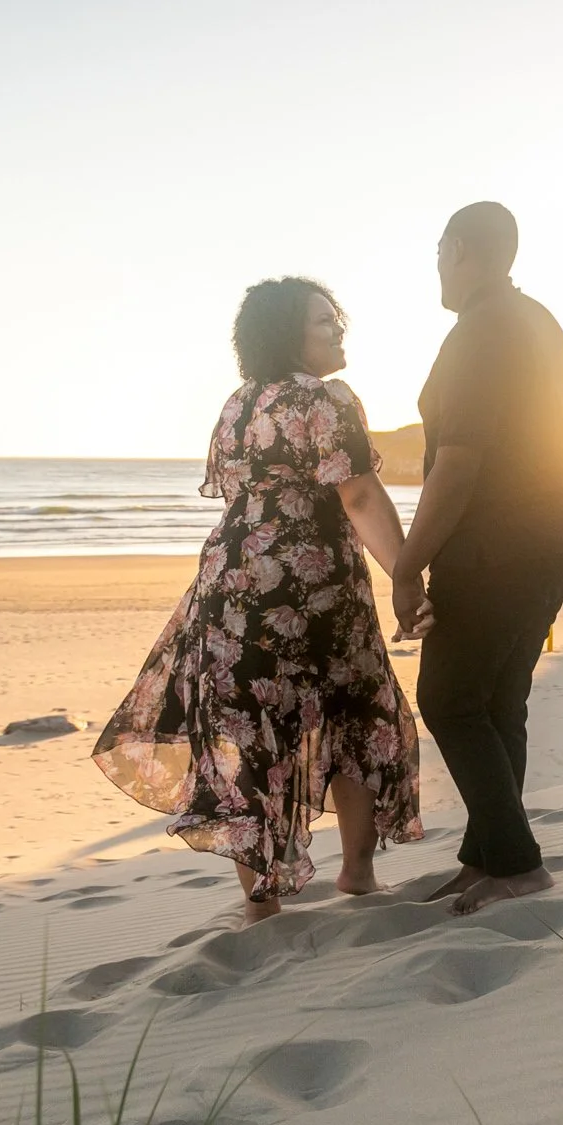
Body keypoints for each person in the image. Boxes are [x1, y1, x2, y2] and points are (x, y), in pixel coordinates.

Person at [93, 277, 426, 925]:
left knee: (247, 729)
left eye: (338, 320)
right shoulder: (327, 399)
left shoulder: (239, 403)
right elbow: (356, 495)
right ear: (287, 334)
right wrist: (406, 572)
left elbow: (241, 496)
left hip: (232, 583)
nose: (337, 331)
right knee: (354, 710)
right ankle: (357, 871)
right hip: (315, 582)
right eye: (323, 322)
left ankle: (261, 901)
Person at [395, 202, 563, 915]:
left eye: (440, 250)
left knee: (447, 698)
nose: (437, 265)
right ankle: (488, 858)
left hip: (501, 542)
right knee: (498, 699)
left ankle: (516, 863)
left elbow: (460, 464)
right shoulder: (537, 318)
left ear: (462, 250)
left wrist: (406, 563)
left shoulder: (480, 330)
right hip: (554, 532)